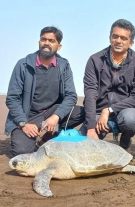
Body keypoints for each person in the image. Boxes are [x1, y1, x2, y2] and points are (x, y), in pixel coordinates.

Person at [5, 26, 84, 157]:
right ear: (39, 42)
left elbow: (71, 95)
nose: (46, 43)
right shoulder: (23, 65)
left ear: (59, 46)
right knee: (22, 153)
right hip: (28, 118)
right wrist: (23, 123)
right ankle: (37, 134)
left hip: (51, 114)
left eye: (51, 41)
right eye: (43, 39)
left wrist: (56, 116)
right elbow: (12, 98)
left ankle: (50, 135)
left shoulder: (63, 66)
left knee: (82, 112)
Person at [81, 19, 135, 151]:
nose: (118, 41)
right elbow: (90, 93)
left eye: (123, 38)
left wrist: (109, 110)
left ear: (131, 43)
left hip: (123, 112)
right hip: (98, 112)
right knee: (83, 147)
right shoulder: (95, 59)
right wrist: (90, 127)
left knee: (131, 119)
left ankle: (125, 140)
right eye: (115, 36)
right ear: (110, 37)